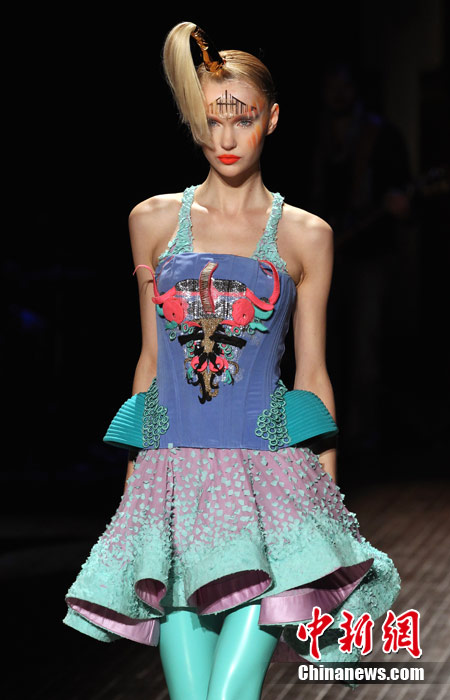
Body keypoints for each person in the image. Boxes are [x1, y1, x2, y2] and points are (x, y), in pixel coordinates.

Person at [63, 23, 401, 699]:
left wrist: (326, 508)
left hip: (268, 484)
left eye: (242, 119)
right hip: (171, 484)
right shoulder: (152, 221)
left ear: (271, 119)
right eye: (211, 121)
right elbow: (150, 361)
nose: (226, 137)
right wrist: (134, 493)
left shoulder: (306, 235)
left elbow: (312, 373)